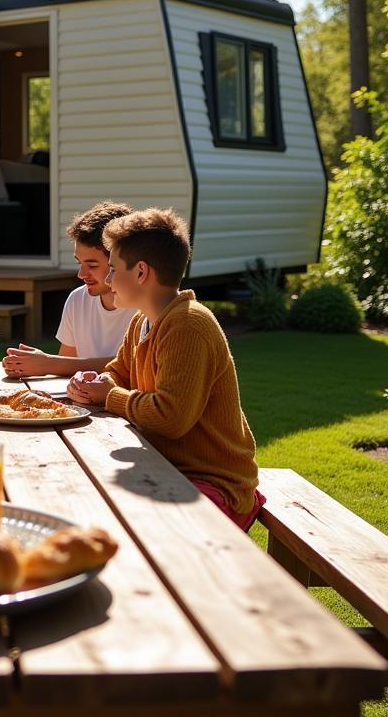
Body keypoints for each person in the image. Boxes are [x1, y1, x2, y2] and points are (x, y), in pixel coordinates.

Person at [67, 207, 264, 531]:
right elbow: (119, 372)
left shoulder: (187, 325)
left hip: (215, 485)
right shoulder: (143, 321)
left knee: (133, 531)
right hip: (166, 469)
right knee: (89, 502)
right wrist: (98, 381)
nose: (109, 279)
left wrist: (110, 396)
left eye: (114, 269)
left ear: (141, 272)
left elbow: (170, 417)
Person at [2, 201, 136, 379]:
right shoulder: (77, 299)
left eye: (92, 265)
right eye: (79, 263)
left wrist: (49, 363)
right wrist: (37, 364)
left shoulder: (143, 306)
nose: (81, 274)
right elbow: (66, 367)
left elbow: (133, 366)